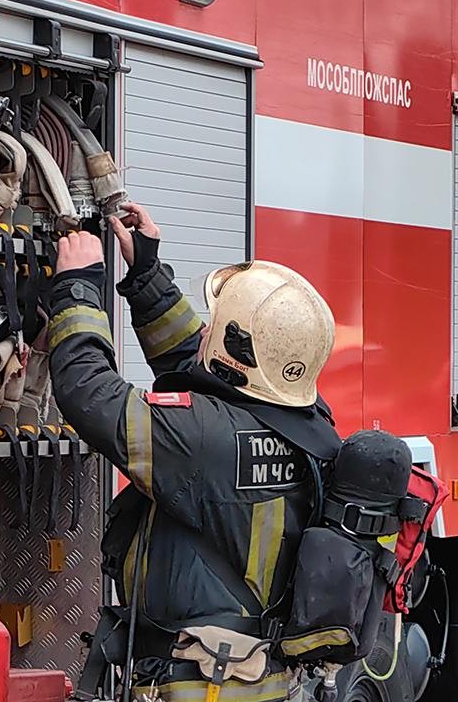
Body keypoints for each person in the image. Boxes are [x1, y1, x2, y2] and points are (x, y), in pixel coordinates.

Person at [49, 203, 341, 701]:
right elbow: (199, 362)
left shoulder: (204, 442)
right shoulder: (308, 424)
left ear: (239, 352)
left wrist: (77, 287)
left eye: (215, 322)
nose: (204, 328)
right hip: (250, 678)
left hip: (198, 685)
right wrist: (146, 277)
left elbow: (87, 392)